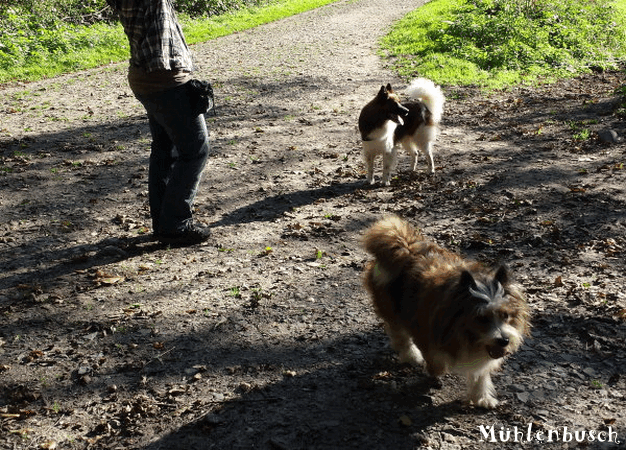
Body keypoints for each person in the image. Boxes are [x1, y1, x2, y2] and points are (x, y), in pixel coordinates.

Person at [106, 0, 211, 246]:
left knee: (165, 149)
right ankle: (175, 225)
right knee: (195, 150)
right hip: (166, 79)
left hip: (145, 77)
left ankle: (164, 223)